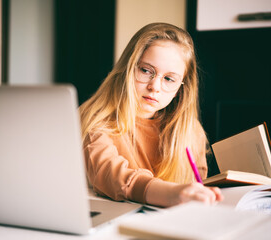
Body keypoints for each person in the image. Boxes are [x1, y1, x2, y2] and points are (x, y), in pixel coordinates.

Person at [79, 22, 223, 207]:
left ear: (181, 88)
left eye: (169, 79)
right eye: (146, 70)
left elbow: (198, 184)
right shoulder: (97, 120)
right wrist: (172, 193)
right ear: (128, 68)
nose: (154, 87)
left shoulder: (190, 130)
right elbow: (110, 175)